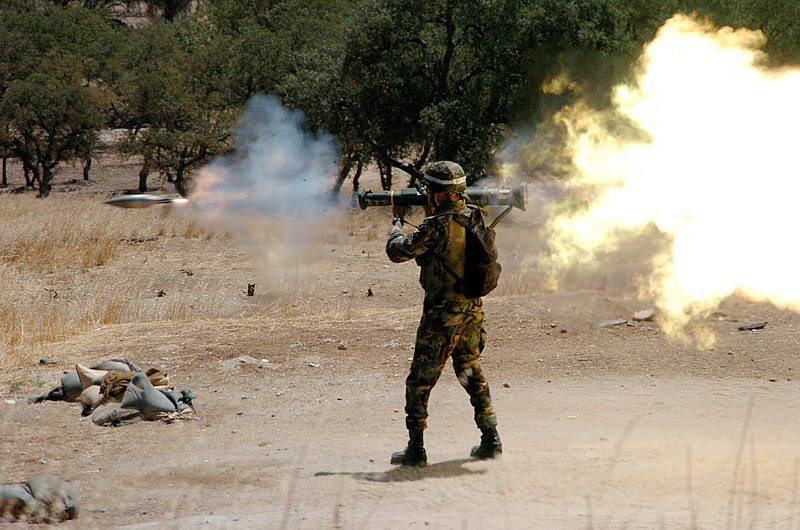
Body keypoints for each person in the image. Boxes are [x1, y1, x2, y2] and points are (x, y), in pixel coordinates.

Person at [385, 160, 502, 467]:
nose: (427, 193)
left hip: (441, 318)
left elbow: (398, 252)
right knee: (471, 372)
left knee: (420, 383)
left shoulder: (434, 227)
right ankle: (491, 439)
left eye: (431, 190)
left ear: (441, 194)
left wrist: (396, 226)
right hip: (472, 313)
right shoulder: (475, 216)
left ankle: (416, 449)